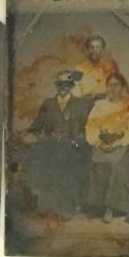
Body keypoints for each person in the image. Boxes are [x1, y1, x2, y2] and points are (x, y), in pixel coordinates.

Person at [22, 69, 92, 218]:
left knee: (67, 168)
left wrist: (78, 140)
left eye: (67, 84)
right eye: (60, 84)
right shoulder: (48, 104)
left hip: (72, 146)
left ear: (72, 85)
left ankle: (66, 207)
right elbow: (36, 126)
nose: (63, 87)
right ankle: (47, 205)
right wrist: (30, 135)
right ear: (56, 85)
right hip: (50, 145)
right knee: (43, 163)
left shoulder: (80, 105)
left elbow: (87, 128)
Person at [84, 72, 129, 222]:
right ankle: (97, 205)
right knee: (98, 163)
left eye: (116, 85)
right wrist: (99, 143)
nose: (112, 89)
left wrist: (116, 143)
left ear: (122, 87)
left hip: (121, 146)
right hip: (101, 144)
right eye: (109, 85)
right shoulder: (99, 106)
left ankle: (110, 207)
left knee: (116, 164)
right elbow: (90, 128)